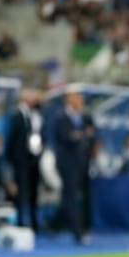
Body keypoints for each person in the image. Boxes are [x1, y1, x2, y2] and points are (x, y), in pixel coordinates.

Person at [53, 89, 94, 245]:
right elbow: (68, 137)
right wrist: (82, 134)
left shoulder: (81, 118)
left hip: (81, 163)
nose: (81, 103)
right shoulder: (61, 118)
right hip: (67, 164)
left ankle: (59, 225)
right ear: (70, 100)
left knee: (76, 197)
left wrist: (81, 134)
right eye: (78, 100)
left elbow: (86, 135)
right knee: (71, 196)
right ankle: (77, 232)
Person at [5, 89, 44, 230]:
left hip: (32, 160)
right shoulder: (17, 116)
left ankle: (34, 223)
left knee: (33, 192)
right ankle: (21, 222)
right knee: (21, 193)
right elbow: (12, 140)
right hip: (20, 162)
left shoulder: (35, 115)